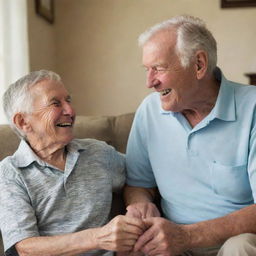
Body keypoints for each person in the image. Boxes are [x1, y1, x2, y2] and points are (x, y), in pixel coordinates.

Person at [124, 15, 256, 256]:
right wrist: (140, 202)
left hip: (235, 240)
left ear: (198, 65)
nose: (149, 82)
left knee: (241, 247)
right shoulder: (149, 110)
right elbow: (137, 184)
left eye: (159, 68)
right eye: (147, 69)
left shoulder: (253, 107)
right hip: (172, 243)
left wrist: (187, 236)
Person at [0, 70, 145, 256]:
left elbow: (142, 177)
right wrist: (98, 237)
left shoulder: (98, 153)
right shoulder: (10, 173)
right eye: (55, 103)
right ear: (23, 121)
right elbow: (25, 247)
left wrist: (138, 203)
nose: (70, 111)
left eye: (68, 100)